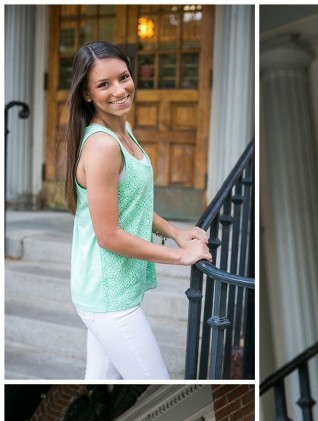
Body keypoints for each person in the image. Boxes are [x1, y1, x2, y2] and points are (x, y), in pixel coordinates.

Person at [64, 41, 213, 380]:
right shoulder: (102, 145)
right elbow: (109, 236)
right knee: (157, 382)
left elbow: (135, 206)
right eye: (104, 84)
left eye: (124, 77)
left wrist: (176, 233)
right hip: (107, 295)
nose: (120, 90)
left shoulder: (123, 131)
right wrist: (181, 257)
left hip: (113, 288)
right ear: (87, 94)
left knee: (99, 379)